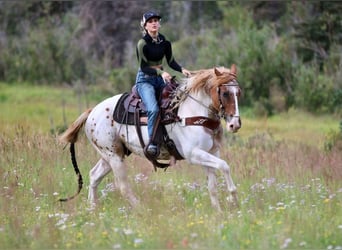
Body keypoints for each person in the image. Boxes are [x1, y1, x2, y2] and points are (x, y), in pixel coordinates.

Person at [135, 11, 191, 157]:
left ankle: (174, 137)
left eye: (156, 20)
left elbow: (171, 61)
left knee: (178, 98)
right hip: (145, 80)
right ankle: (152, 143)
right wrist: (161, 73)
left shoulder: (164, 42)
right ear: (145, 25)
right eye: (150, 21)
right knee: (153, 109)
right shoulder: (142, 44)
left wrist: (182, 69)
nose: (154, 23)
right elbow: (144, 67)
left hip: (160, 79)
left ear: (159, 24)